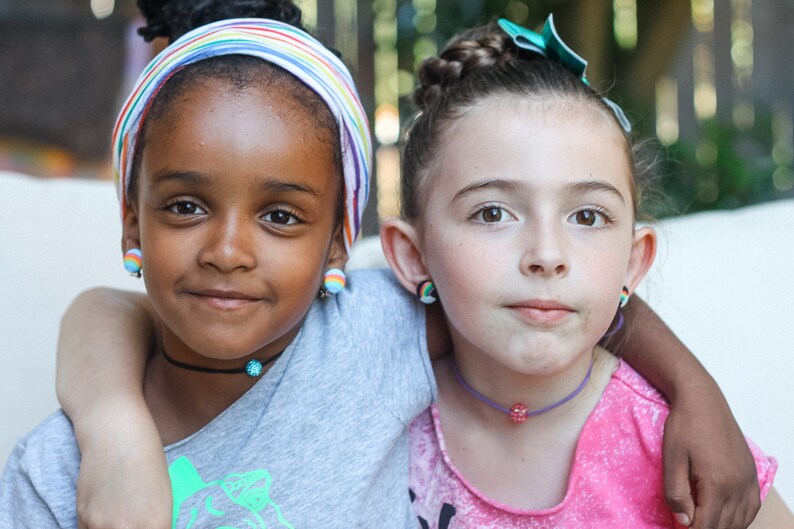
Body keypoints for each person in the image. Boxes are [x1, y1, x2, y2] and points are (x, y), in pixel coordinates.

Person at [28, 2, 760, 528]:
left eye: (281, 215)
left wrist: (697, 392)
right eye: (185, 206)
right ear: (132, 219)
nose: (227, 250)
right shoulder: (51, 473)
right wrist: (115, 430)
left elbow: (567, 294)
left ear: (340, 243)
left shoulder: (369, 336)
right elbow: (105, 309)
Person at [377, 16, 792, 528]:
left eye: (587, 216)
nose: (547, 254)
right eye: (492, 213)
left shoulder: (687, 457)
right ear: (412, 255)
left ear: (633, 261)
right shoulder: (372, 413)